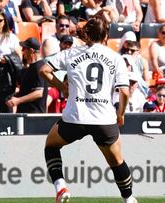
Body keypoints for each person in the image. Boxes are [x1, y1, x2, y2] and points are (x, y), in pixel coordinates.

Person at [39, 16, 137, 203]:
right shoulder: (115, 58)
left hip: (75, 117)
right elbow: (124, 91)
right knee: (117, 161)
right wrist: (121, 114)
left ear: (87, 34)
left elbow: (43, 70)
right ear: (106, 35)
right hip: (104, 119)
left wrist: (63, 88)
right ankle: (129, 198)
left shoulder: (72, 53)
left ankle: (60, 187)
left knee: (51, 146)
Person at [6, 37, 48, 113]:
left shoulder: (39, 66)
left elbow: (38, 93)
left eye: (24, 49)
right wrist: (15, 96)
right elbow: (28, 90)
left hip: (33, 116)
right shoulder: (32, 67)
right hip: (26, 114)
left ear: (31, 51)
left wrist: (18, 100)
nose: (22, 52)